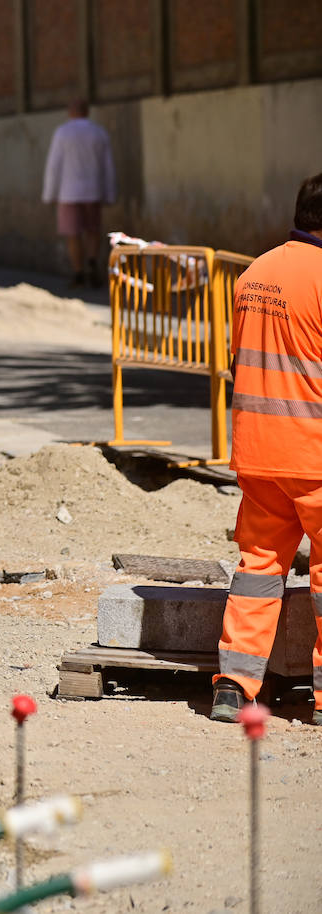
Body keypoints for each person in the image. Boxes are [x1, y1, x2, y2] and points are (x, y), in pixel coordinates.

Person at [211, 172, 322, 723]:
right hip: (315, 457)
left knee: (258, 567)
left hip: (258, 453)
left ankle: (233, 685)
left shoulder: (255, 272)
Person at [41, 99, 116, 288]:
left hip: (68, 192)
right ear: (87, 111)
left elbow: (53, 165)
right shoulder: (98, 132)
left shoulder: (62, 132)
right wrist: (110, 193)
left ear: (70, 112)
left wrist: (49, 193)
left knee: (72, 234)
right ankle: (91, 263)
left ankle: (78, 272)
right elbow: (108, 166)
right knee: (93, 230)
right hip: (93, 190)